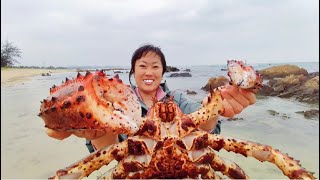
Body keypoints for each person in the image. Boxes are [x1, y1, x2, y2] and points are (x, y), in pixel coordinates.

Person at [46, 44, 256, 153]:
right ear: (132, 71)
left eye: (155, 66)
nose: (149, 72)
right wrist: (98, 133)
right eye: (142, 66)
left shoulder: (177, 99)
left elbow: (205, 125)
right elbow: (107, 150)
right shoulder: (115, 107)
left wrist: (213, 110)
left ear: (163, 72)